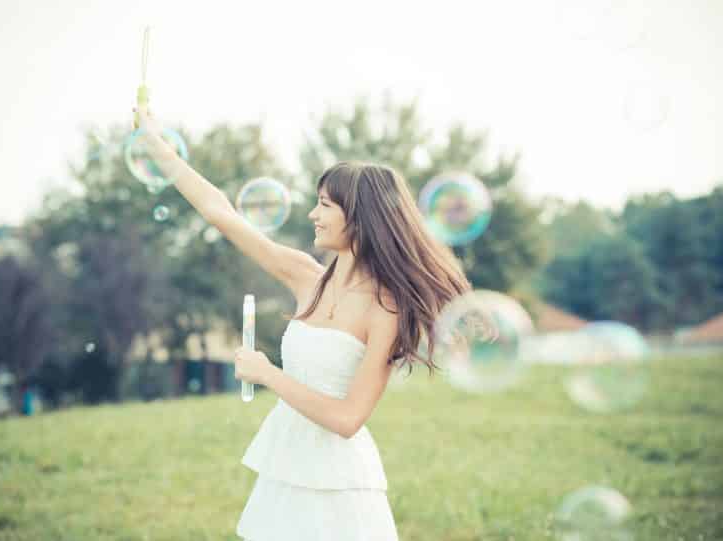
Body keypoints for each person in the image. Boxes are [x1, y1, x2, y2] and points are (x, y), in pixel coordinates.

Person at [133, 106, 471, 540]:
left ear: (360, 217)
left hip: (339, 489)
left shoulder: (384, 309)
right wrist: (157, 147)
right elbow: (220, 213)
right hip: (287, 467)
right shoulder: (305, 276)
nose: (313, 214)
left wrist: (267, 374)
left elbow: (349, 418)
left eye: (325, 205)